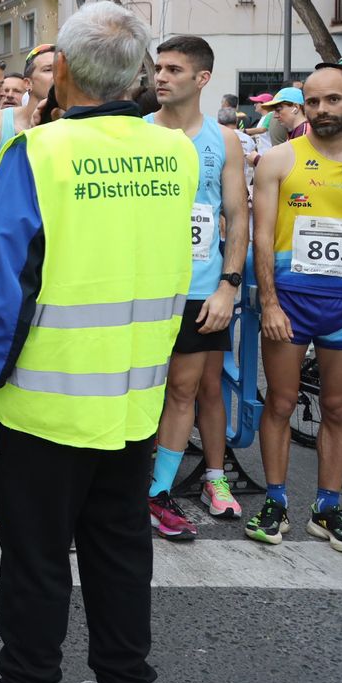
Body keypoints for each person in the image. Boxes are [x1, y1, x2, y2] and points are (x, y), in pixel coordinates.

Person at [0, 1, 196, 683]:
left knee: (37, 559)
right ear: (136, 72)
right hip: (134, 399)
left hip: (47, 405)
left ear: (67, 75)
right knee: (121, 552)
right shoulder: (174, 149)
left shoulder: (41, 153)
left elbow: (3, 292)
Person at [247, 64, 342, 553]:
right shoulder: (277, 159)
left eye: (333, 100)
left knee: (338, 408)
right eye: (313, 101)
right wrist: (269, 302)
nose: (321, 110)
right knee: (281, 401)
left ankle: (327, 508)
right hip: (290, 303)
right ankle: (275, 500)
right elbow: (262, 237)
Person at [144, 36, 249, 539]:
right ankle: (125, 486)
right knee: (140, 390)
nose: (160, 77)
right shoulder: (135, 134)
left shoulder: (223, 139)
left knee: (185, 389)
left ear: (202, 79)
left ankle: (158, 491)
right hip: (143, 290)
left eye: (173, 69)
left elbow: (237, 216)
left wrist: (228, 287)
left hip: (200, 290)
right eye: (157, 68)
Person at [0, 45, 55, 160]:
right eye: (48, 70)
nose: (57, 75)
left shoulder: (77, 124)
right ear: (27, 83)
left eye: (61, 70)